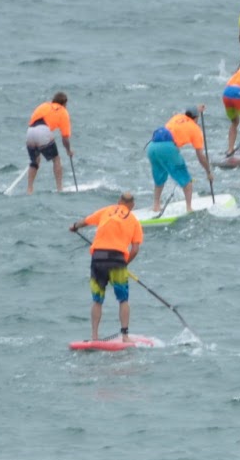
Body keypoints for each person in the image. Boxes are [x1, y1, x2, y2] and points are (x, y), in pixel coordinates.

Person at [70, 193, 143, 343]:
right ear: (132, 206)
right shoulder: (134, 220)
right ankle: (125, 336)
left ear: (118, 201)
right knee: (123, 300)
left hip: (98, 258)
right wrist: (125, 264)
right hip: (117, 260)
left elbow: (85, 221)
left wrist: (74, 226)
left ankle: (94, 337)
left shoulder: (107, 210)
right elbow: (135, 249)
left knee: (97, 300)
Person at [147, 107, 212, 215]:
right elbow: (200, 156)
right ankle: (189, 208)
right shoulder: (195, 129)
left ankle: (156, 206)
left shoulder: (178, 117)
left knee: (160, 177)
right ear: (196, 118)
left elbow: (186, 116)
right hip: (168, 148)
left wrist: (198, 109)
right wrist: (208, 172)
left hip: (152, 146)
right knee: (187, 181)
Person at [24, 92, 74, 194]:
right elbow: (65, 138)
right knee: (56, 159)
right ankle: (60, 189)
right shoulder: (63, 111)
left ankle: (29, 189)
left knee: (35, 161)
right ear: (64, 103)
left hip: (30, 131)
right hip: (43, 131)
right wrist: (68, 151)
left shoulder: (44, 105)